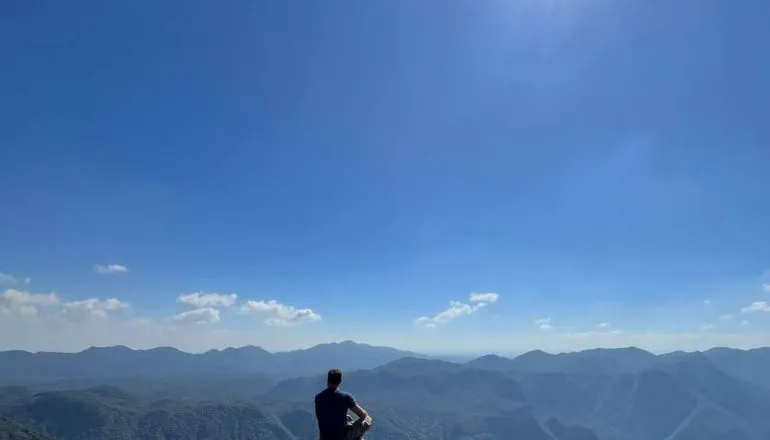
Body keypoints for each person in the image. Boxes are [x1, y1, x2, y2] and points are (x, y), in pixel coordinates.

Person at [314, 368, 372, 440]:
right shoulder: (346, 397)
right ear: (340, 381)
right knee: (368, 419)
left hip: (324, 437)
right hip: (343, 437)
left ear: (327, 380)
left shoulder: (318, 398)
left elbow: (322, 418)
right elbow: (362, 415)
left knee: (347, 418)